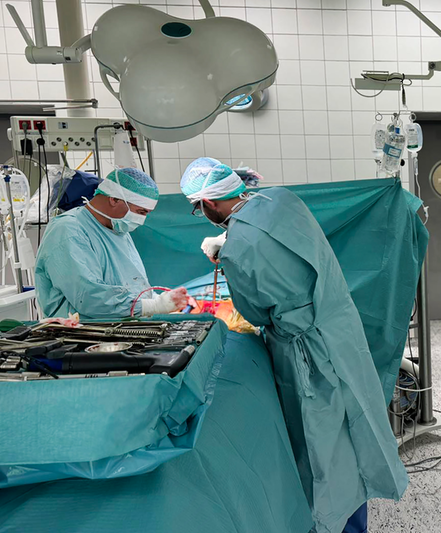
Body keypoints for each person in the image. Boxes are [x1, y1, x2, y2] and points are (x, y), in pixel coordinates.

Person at [180, 157, 407, 533]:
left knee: (323, 448)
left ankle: (337, 524)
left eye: (197, 208)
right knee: (358, 423)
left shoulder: (238, 251)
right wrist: (233, 239)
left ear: (207, 203)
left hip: (306, 355)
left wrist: (230, 251)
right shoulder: (282, 200)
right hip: (340, 331)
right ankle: (358, 515)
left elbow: (254, 313)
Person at [35, 168, 188, 319]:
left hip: (122, 326)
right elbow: (88, 298)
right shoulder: (68, 230)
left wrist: (161, 301)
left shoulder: (118, 230)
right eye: (141, 212)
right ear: (114, 199)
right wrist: (153, 306)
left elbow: (133, 285)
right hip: (83, 330)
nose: (142, 220)